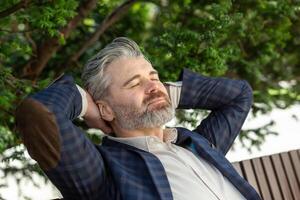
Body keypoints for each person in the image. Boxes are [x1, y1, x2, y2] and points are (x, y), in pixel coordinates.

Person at [15, 37, 261, 200]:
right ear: (106, 110)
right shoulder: (105, 174)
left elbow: (239, 95)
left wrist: (162, 91)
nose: (152, 85)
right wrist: (84, 103)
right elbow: (39, 114)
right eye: (134, 83)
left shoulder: (199, 144)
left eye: (153, 76)